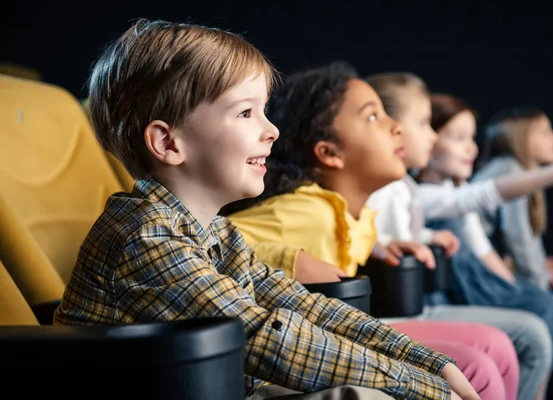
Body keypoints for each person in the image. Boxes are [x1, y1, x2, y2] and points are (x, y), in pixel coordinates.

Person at [53, 19, 476, 400]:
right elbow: (263, 338)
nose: (271, 131)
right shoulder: (145, 238)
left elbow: (301, 306)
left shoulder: (216, 232)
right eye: (245, 112)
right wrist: (421, 388)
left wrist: (431, 363)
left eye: (265, 112)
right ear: (168, 143)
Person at [364, 72, 553, 400]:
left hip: (414, 301)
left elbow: (391, 233)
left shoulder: (405, 186)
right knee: (524, 335)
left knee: (538, 324)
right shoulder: (394, 187)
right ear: (392, 127)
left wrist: (427, 236)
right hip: (404, 306)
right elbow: (372, 237)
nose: (432, 137)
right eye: (425, 125)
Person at [416, 93, 553, 400]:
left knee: (548, 304)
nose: (472, 148)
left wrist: (517, 289)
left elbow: (483, 250)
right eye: (459, 138)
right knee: (548, 310)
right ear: (429, 140)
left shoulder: (454, 188)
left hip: (481, 283)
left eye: (471, 138)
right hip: (458, 291)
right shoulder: (425, 197)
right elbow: (485, 201)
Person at [474, 105, 553, 303]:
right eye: (545, 133)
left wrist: (541, 265)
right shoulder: (510, 173)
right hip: (483, 275)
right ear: (521, 139)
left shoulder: (511, 168)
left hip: (497, 265)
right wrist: (541, 284)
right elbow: (519, 240)